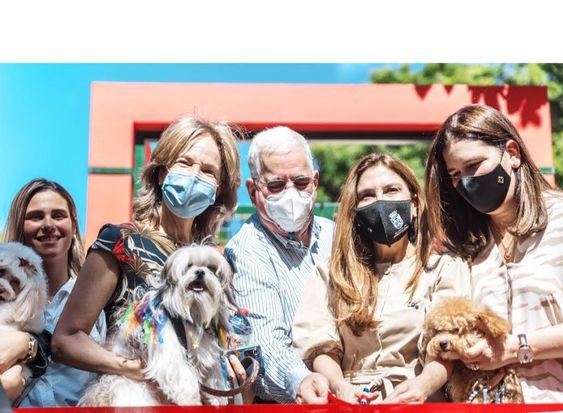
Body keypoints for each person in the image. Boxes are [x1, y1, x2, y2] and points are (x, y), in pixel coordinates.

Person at [390, 104, 563, 403]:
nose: (467, 182)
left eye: (474, 165)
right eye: (456, 175)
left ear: (512, 153)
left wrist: (517, 347)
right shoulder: (464, 250)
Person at [52, 116, 246, 390]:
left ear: (218, 190)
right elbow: (65, 340)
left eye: (207, 171)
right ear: (162, 172)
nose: (194, 175)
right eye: (185, 163)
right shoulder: (120, 242)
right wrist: (129, 368)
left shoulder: (216, 265)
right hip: (135, 399)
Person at [292, 152, 469, 403]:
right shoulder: (331, 274)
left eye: (392, 190)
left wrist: (424, 384)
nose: (380, 201)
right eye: (367, 195)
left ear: (414, 204)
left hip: (420, 400)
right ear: (355, 211)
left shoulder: (444, 269)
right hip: (352, 402)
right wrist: (341, 386)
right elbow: (321, 348)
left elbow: (445, 345)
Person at [224, 126, 335, 404]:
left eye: (300, 182)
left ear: (315, 182)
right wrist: (300, 380)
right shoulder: (246, 250)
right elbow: (264, 340)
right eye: (275, 186)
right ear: (253, 191)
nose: (291, 194)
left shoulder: (337, 235)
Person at [1, 179, 106, 406]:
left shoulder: (95, 304)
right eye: (36, 217)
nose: (48, 224)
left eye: (58, 215)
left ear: (73, 224)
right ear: (20, 224)